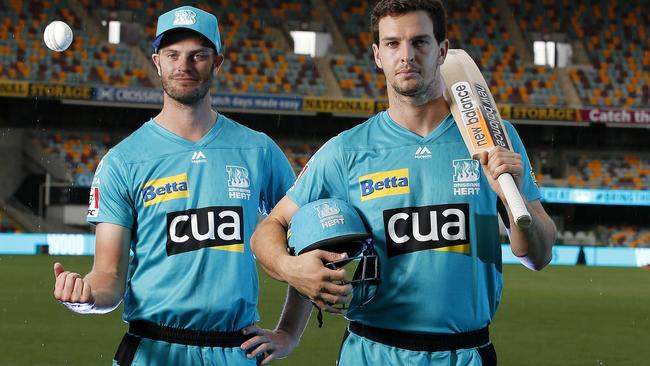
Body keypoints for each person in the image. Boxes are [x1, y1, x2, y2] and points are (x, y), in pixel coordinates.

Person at [250, 0, 557, 365]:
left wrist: (513, 195)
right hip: (372, 353)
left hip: (464, 353)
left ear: (442, 51)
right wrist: (292, 272)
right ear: (378, 55)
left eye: (420, 42)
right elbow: (271, 227)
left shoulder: (493, 138)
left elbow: (538, 256)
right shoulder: (346, 151)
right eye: (393, 44)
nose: (406, 55)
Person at [52, 6, 309, 365]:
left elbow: (308, 243)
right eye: (172, 55)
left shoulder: (259, 150)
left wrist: (289, 332)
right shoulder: (122, 161)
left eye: (198, 55)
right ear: (157, 61)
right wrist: (86, 297)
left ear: (217, 62)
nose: (184, 65)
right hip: (153, 350)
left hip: (236, 350)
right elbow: (109, 278)